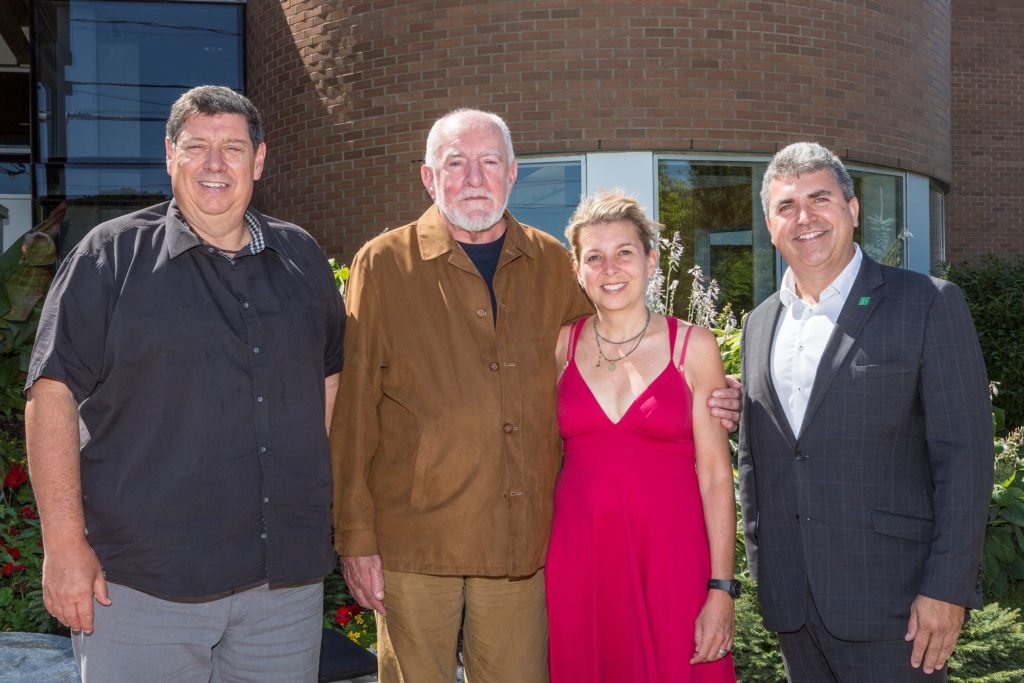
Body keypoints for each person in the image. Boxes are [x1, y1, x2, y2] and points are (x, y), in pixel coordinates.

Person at [331, 108, 742, 682]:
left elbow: (613, 344)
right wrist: (356, 537)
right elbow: (353, 412)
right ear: (429, 178)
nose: (474, 178)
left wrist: (715, 394)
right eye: (456, 164)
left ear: (513, 173)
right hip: (414, 546)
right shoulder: (383, 263)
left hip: (522, 548)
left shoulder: (553, 262)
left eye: (489, 162)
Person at [24, 85, 345, 682]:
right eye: (197, 147)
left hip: (281, 589)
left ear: (260, 159)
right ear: (170, 156)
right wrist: (65, 547)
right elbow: (51, 397)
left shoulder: (301, 257)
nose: (215, 164)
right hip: (142, 586)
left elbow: (329, 382)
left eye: (233, 147)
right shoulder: (109, 257)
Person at [738, 142, 993, 682]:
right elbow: (760, 460)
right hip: (795, 607)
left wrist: (947, 589)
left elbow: (965, 458)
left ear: (852, 210)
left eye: (820, 199)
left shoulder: (926, 303)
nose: (803, 217)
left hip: (896, 609)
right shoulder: (758, 324)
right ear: (769, 223)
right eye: (787, 206)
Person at [546, 190, 738, 682]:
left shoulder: (693, 346)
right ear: (578, 270)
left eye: (625, 253)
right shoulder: (560, 347)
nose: (611, 269)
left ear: (651, 261)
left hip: (672, 560)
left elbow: (717, 476)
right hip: (579, 560)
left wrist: (721, 587)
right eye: (595, 257)